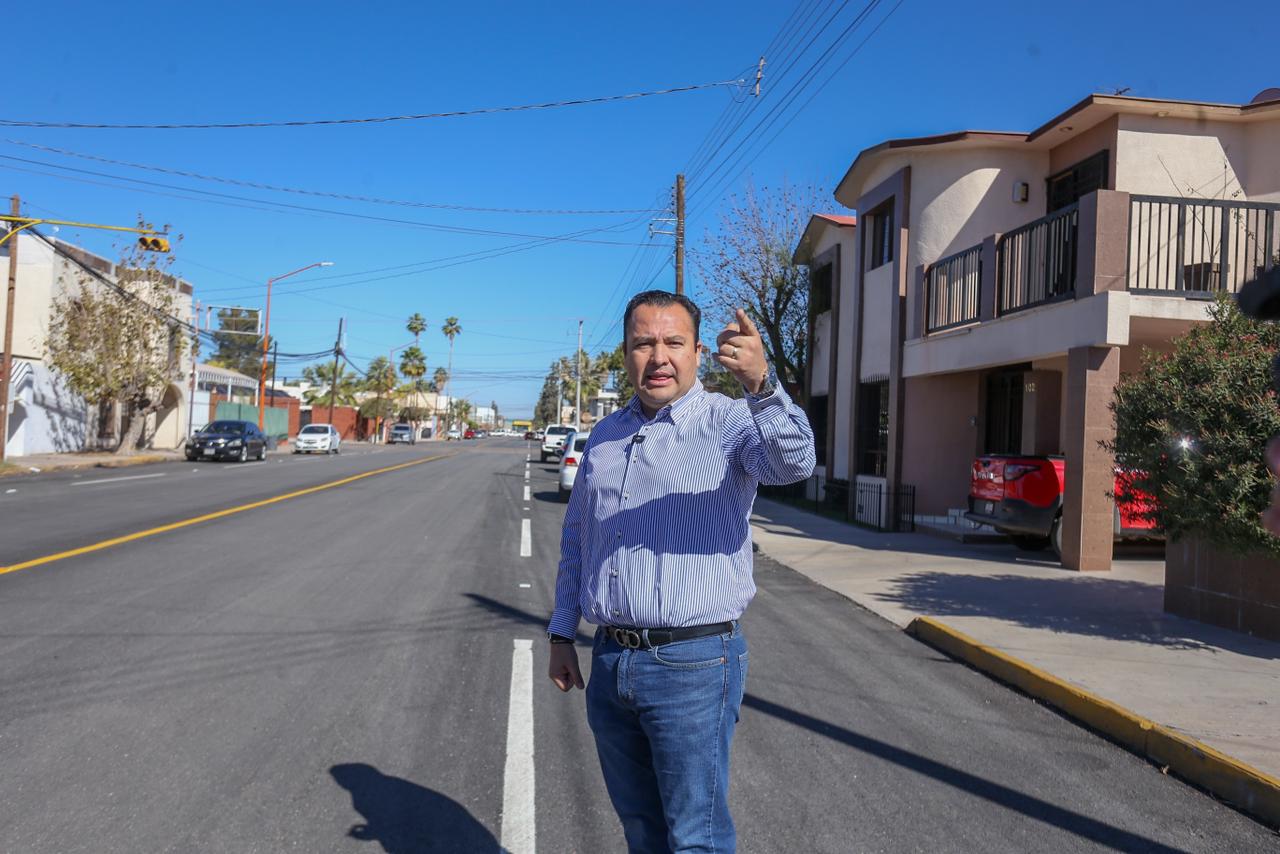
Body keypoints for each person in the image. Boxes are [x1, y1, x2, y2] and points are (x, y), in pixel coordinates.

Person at [546, 289, 815, 853]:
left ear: (697, 351)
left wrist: (762, 385)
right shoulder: (605, 436)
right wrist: (562, 631)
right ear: (625, 353)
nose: (659, 356)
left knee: (697, 837)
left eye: (673, 342)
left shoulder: (730, 422)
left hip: (693, 663)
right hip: (611, 657)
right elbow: (578, 538)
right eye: (644, 343)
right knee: (641, 830)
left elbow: (795, 462)